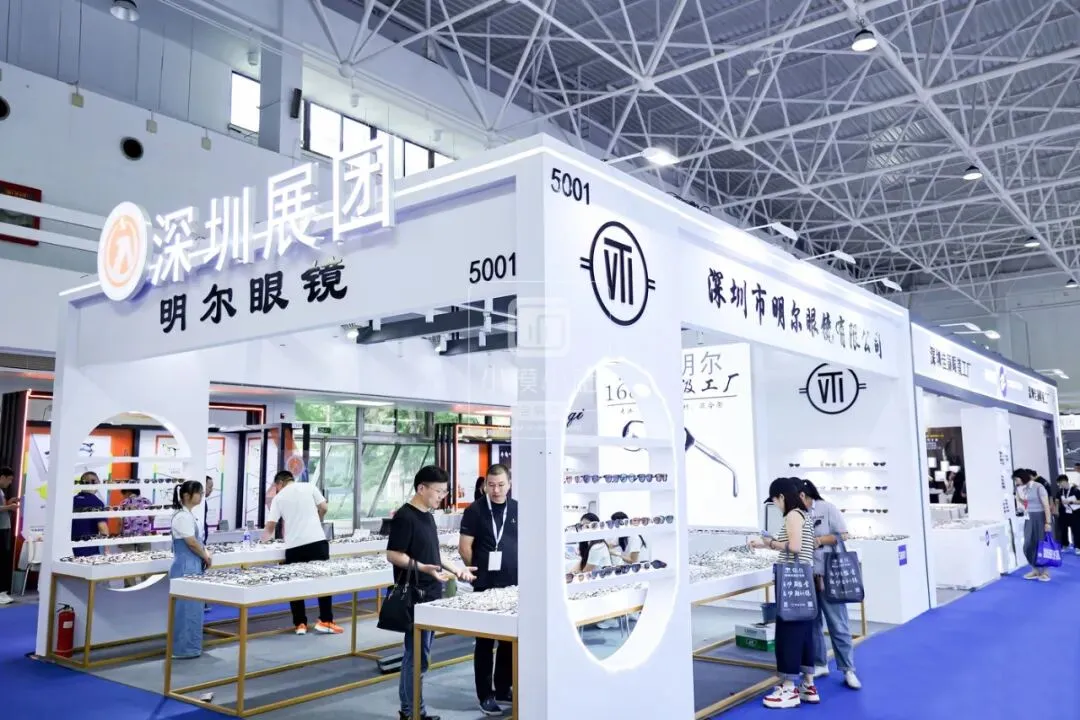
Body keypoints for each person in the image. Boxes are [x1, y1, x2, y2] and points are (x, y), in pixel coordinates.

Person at [387, 466, 475, 720]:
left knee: (419, 655)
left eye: (444, 492)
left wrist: (457, 570)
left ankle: (412, 709)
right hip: (416, 596)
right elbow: (393, 554)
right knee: (416, 656)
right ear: (421, 488)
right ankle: (412, 711)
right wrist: (422, 567)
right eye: (438, 491)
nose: (441, 497)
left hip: (431, 595)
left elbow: (434, 554)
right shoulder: (405, 516)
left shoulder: (427, 515)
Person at [749, 477, 819, 709]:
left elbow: (795, 547)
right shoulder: (803, 514)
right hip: (804, 580)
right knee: (804, 632)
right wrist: (766, 543)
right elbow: (797, 544)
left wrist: (770, 543)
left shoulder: (792, 515)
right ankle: (808, 685)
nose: (776, 506)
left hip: (791, 580)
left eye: (775, 501)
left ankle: (789, 688)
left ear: (781, 497)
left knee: (788, 632)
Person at [459, 464, 517, 716]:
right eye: (491, 485)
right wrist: (478, 573)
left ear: (509, 484)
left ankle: (503, 687)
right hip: (485, 586)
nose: (496, 490)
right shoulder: (475, 510)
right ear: (485, 485)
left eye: (501, 485)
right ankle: (485, 695)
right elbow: (464, 547)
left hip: (513, 583)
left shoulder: (517, 508)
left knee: (509, 640)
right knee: (484, 642)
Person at [264, 470, 341, 635]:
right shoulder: (309, 486)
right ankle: (326, 621)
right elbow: (324, 507)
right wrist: (318, 519)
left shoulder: (279, 497)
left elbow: (271, 525)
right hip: (316, 541)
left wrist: (262, 541)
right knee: (323, 580)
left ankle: (300, 624)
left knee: (296, 584)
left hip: (294, 546)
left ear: (279, 483)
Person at [799, 480, 860, 690]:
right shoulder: (796, 514)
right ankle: (820, 663)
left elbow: (844, 535)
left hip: (829, 575)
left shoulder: (827, 508)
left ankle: (848, 669)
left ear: (804, 495)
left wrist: (819, 540)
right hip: (807, 575)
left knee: (838, 623)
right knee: (812, 624)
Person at [169, 480, 212, 659]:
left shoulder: (189, 515)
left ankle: (192, 646)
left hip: (192, 565)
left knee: (194, 609)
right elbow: (192, 542)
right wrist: (205, 556)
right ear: (187, 495)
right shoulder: (182, 517)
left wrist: (204, 554)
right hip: (185, 567)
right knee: (186, 610)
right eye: (199, 492)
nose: (202, 496)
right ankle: (183, 649)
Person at [1014, 468, 1052, 581]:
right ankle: (1035, 569)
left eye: (1016, 479)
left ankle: (1045, 572)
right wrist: (1018, 497)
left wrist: (1048, 522)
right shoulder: (1024, 489)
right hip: (1029, 518)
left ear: (1022, 477)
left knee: (1042, 544)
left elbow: (1046, 506)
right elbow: (1028, 503)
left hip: (1040, 517)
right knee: (1028, 545)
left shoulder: (1039, 487)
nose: (1016, 482)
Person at [72, 472, 110, 557]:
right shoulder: (96, 502)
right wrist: (107, 549)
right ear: (95, 482)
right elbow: (102, 527)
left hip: (71, 549)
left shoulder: (72, 500)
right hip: (89, 551)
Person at [0, 467, 18, 605]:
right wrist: (9, 507)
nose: (10, 482)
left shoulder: (1, 491)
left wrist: (8, 502)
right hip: (1, 529)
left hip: (4, 528)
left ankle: (2, 592)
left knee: (3, 560)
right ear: (2, 477)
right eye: (9, 479)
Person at [1054, 474, 1080, 554]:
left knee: (1076, 530)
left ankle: (1077, 547)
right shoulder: (1060, 491)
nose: (1059, 485)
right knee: (1063, 530)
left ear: (1064, 481)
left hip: (1075, 513)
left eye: (1060, 483)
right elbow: (1057, 501)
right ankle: (1065, 544)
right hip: (1063, 513)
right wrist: (1056, 510)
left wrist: (1071, 501)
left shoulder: (1075, 490)